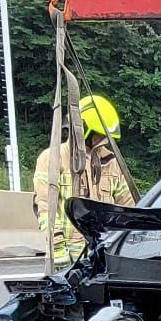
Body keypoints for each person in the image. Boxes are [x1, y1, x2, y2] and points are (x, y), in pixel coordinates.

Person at [34, 93, 133, 265]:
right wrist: (57, 249)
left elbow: (127, 205)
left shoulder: (111, 162)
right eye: (99, 135)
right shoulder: (53, 158)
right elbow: (45, 207)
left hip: (104, 249)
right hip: (69, 254)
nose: (102, 140)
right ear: (83, 129)